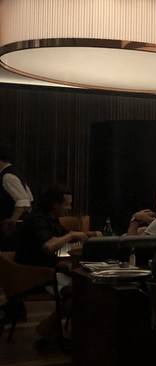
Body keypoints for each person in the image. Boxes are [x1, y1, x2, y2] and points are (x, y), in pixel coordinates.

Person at [14, 185, 97, 348]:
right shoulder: (37, 220)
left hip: (46, 271)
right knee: (82, 291)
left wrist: (93, 235)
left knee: (82, 288)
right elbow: (49, 246)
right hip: (32, 275)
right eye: (66, 204)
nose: (69, 208)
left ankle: (49, 331)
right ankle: (59, 335)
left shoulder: (50, 219)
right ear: (54, 204)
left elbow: (63, 238)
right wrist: (72, 235)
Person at [0, 144, 34, 249]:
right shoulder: (15, 172)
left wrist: (12, 221)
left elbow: (23, 201)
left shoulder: (7, 176)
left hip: (11, 231)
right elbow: (29, 199)